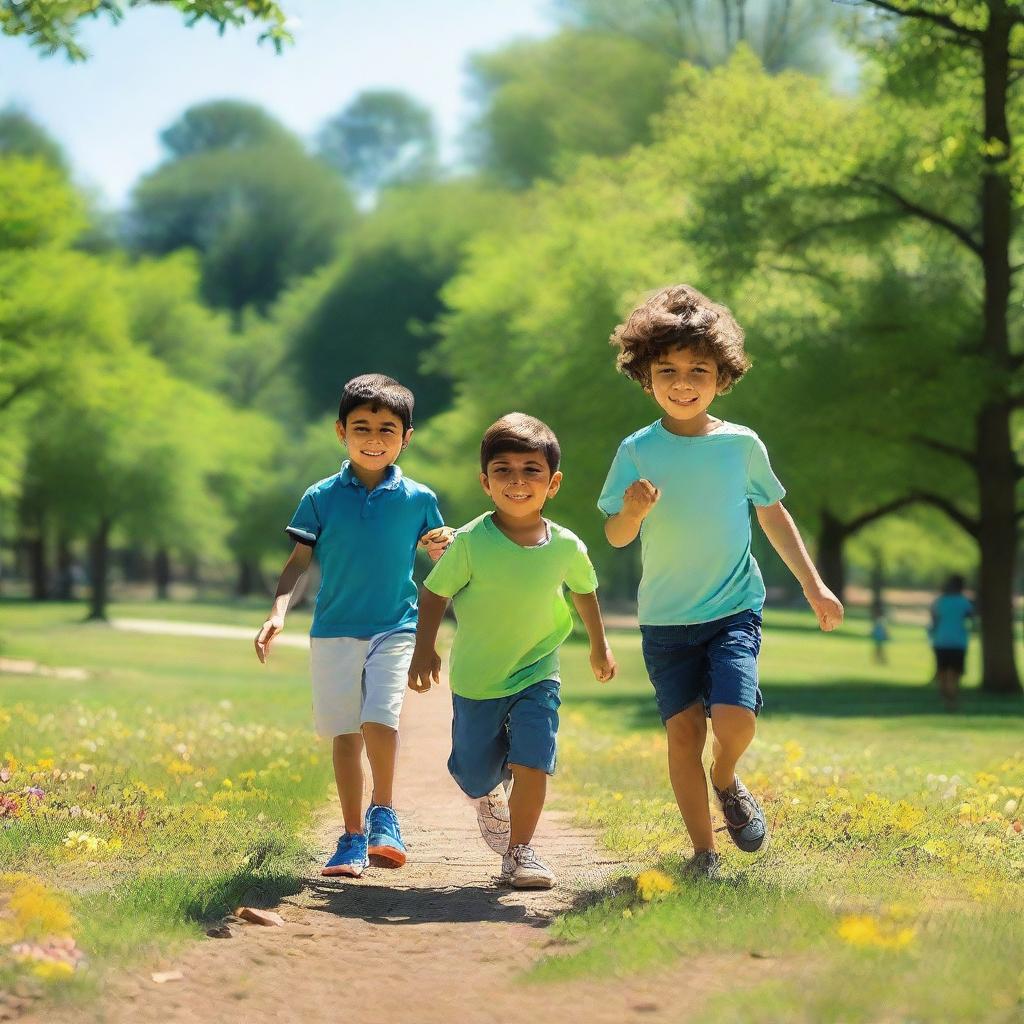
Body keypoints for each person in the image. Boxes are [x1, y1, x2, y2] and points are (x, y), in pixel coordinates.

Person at [598, 284, 844, 880]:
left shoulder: (741, 445)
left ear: (722, 375)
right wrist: (631, 511)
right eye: (668, 370)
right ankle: (703, 854)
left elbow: (773, 514)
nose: (683, 383)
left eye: (698, 370)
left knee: (735, 721)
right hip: (664, 620)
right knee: (682, 735)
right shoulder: (636, 451)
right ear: (645, 376)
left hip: (734, 608)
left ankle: (727, 778)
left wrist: (814, 585)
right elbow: (616, 536)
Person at [254, 374, 452, 878]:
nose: (373, 438)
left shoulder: (418, 499)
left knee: (378, 718)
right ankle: (351, 837)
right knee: (344, 732)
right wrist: (278, 611)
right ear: (340, 431)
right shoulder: (320, 497)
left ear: (406, 437)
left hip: (394, 626)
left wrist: (440, 549)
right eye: (361, 426)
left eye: (387, 429)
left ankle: (384, 813)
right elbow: (298, 562)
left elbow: (441, 557)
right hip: (333, 630)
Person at [408, 413, 616, 890]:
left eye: (531, 471)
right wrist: (425, 651)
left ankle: (521, 851)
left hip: (537, 669)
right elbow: (435, 593)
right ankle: (486, 794)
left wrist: (599, 647)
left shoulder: (566, 546)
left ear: (553, 482)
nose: (517, 481)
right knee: (474, 766)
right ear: (485, 481)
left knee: (534, 757)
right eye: (503, 470)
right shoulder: (469, 544)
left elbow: (584, 592)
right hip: (478, 677)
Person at [929, 574, 975, 711]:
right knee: (955, 673)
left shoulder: (940, 601)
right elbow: (971, 618)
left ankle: (945, 697)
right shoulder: (964, 602)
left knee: (942, 671)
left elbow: (934, 620)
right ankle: (952, 698)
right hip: (959, 642)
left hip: (941, 640)